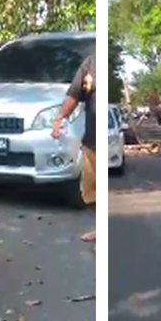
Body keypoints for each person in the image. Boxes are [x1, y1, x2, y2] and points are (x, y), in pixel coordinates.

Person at [50, 55, 97, 207]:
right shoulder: (92, 63)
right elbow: (75, 95)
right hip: (92, 143)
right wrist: (59, 119)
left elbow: (74, 96)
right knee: (90, 192)